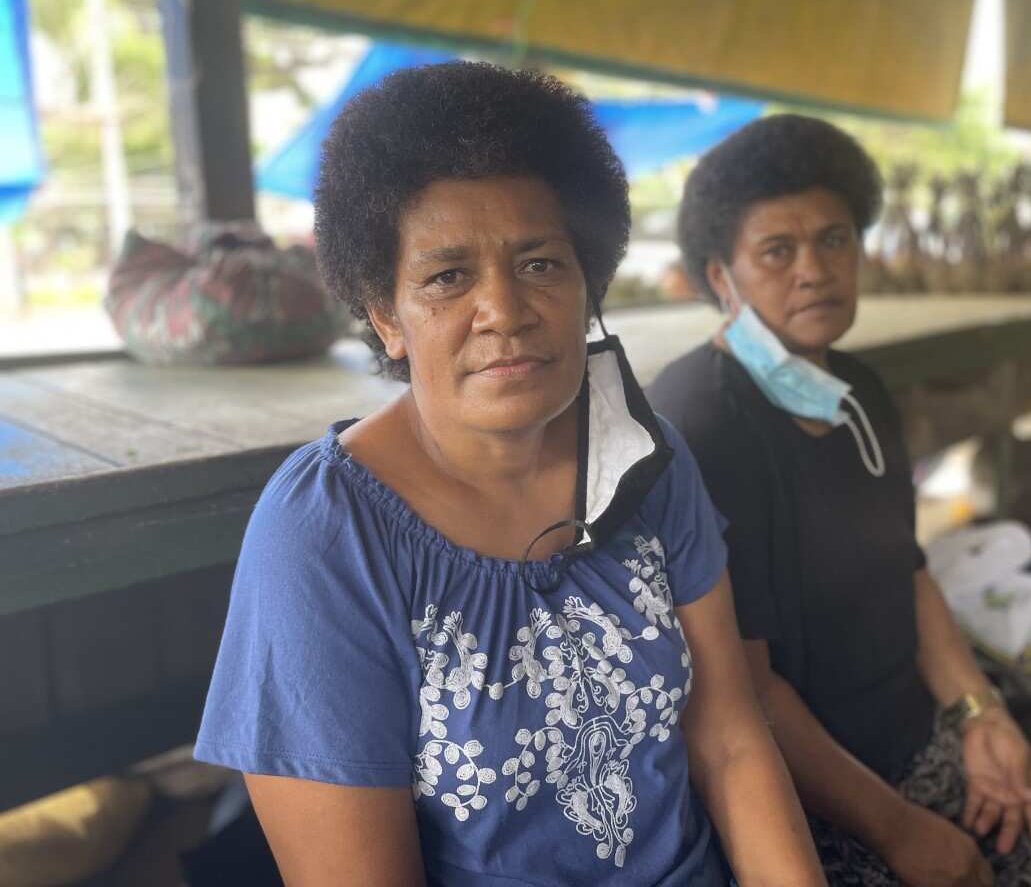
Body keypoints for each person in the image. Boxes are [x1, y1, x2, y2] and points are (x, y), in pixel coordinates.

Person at [194, 63, 824, 887]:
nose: (505, 309)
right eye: (448, 276)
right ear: (387, 316)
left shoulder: (646, 457)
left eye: (540, 264)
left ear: (585, 284)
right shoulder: (325, 536)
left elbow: (732, 740)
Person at [648, 115, 1031, 887]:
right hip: (808, 794)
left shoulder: (858, 394)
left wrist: (982, 716)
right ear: (719, 278)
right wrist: (902, 831)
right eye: (778, 251)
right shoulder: (704, 424)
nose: (815, 269)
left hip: (917, 739)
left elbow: (909, 573)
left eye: (835, 239)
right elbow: (744, 692)